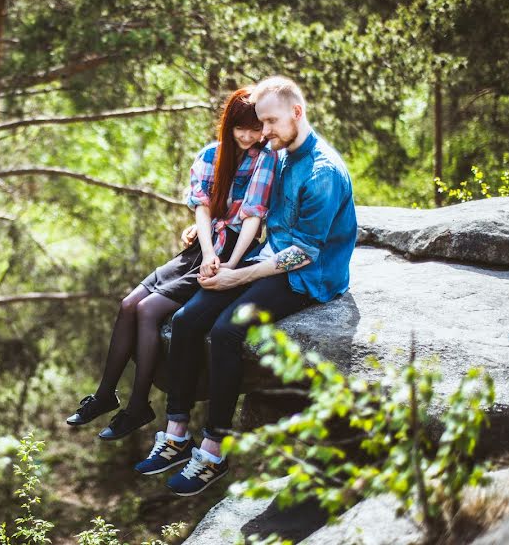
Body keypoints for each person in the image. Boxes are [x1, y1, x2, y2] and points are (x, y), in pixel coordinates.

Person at [136, 75, 357, 497]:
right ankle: (176, 433)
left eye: (271, 122)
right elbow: (247, 209)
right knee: (186, 320)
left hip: (309, 276)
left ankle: (213, 453)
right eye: (260, 122)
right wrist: (205, 230)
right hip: (268, 259)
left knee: (225, 330)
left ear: (297, 112)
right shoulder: (281, 154)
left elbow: (306, 252)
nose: (264, 132)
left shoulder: (323, 172)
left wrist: (238, 276)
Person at [66, 87, 277, 440]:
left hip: (231, 253)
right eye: (242, 127)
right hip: (204, 249)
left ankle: (138, 407)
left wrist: (228, 264)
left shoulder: (265, 159)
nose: (249, 135)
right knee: (129, 304)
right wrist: (207, 250)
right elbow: (203, 208)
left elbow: (253, 217)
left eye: (256, 128)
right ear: (229, 124)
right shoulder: (212, 154)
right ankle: (104, 395)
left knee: (149, 311)